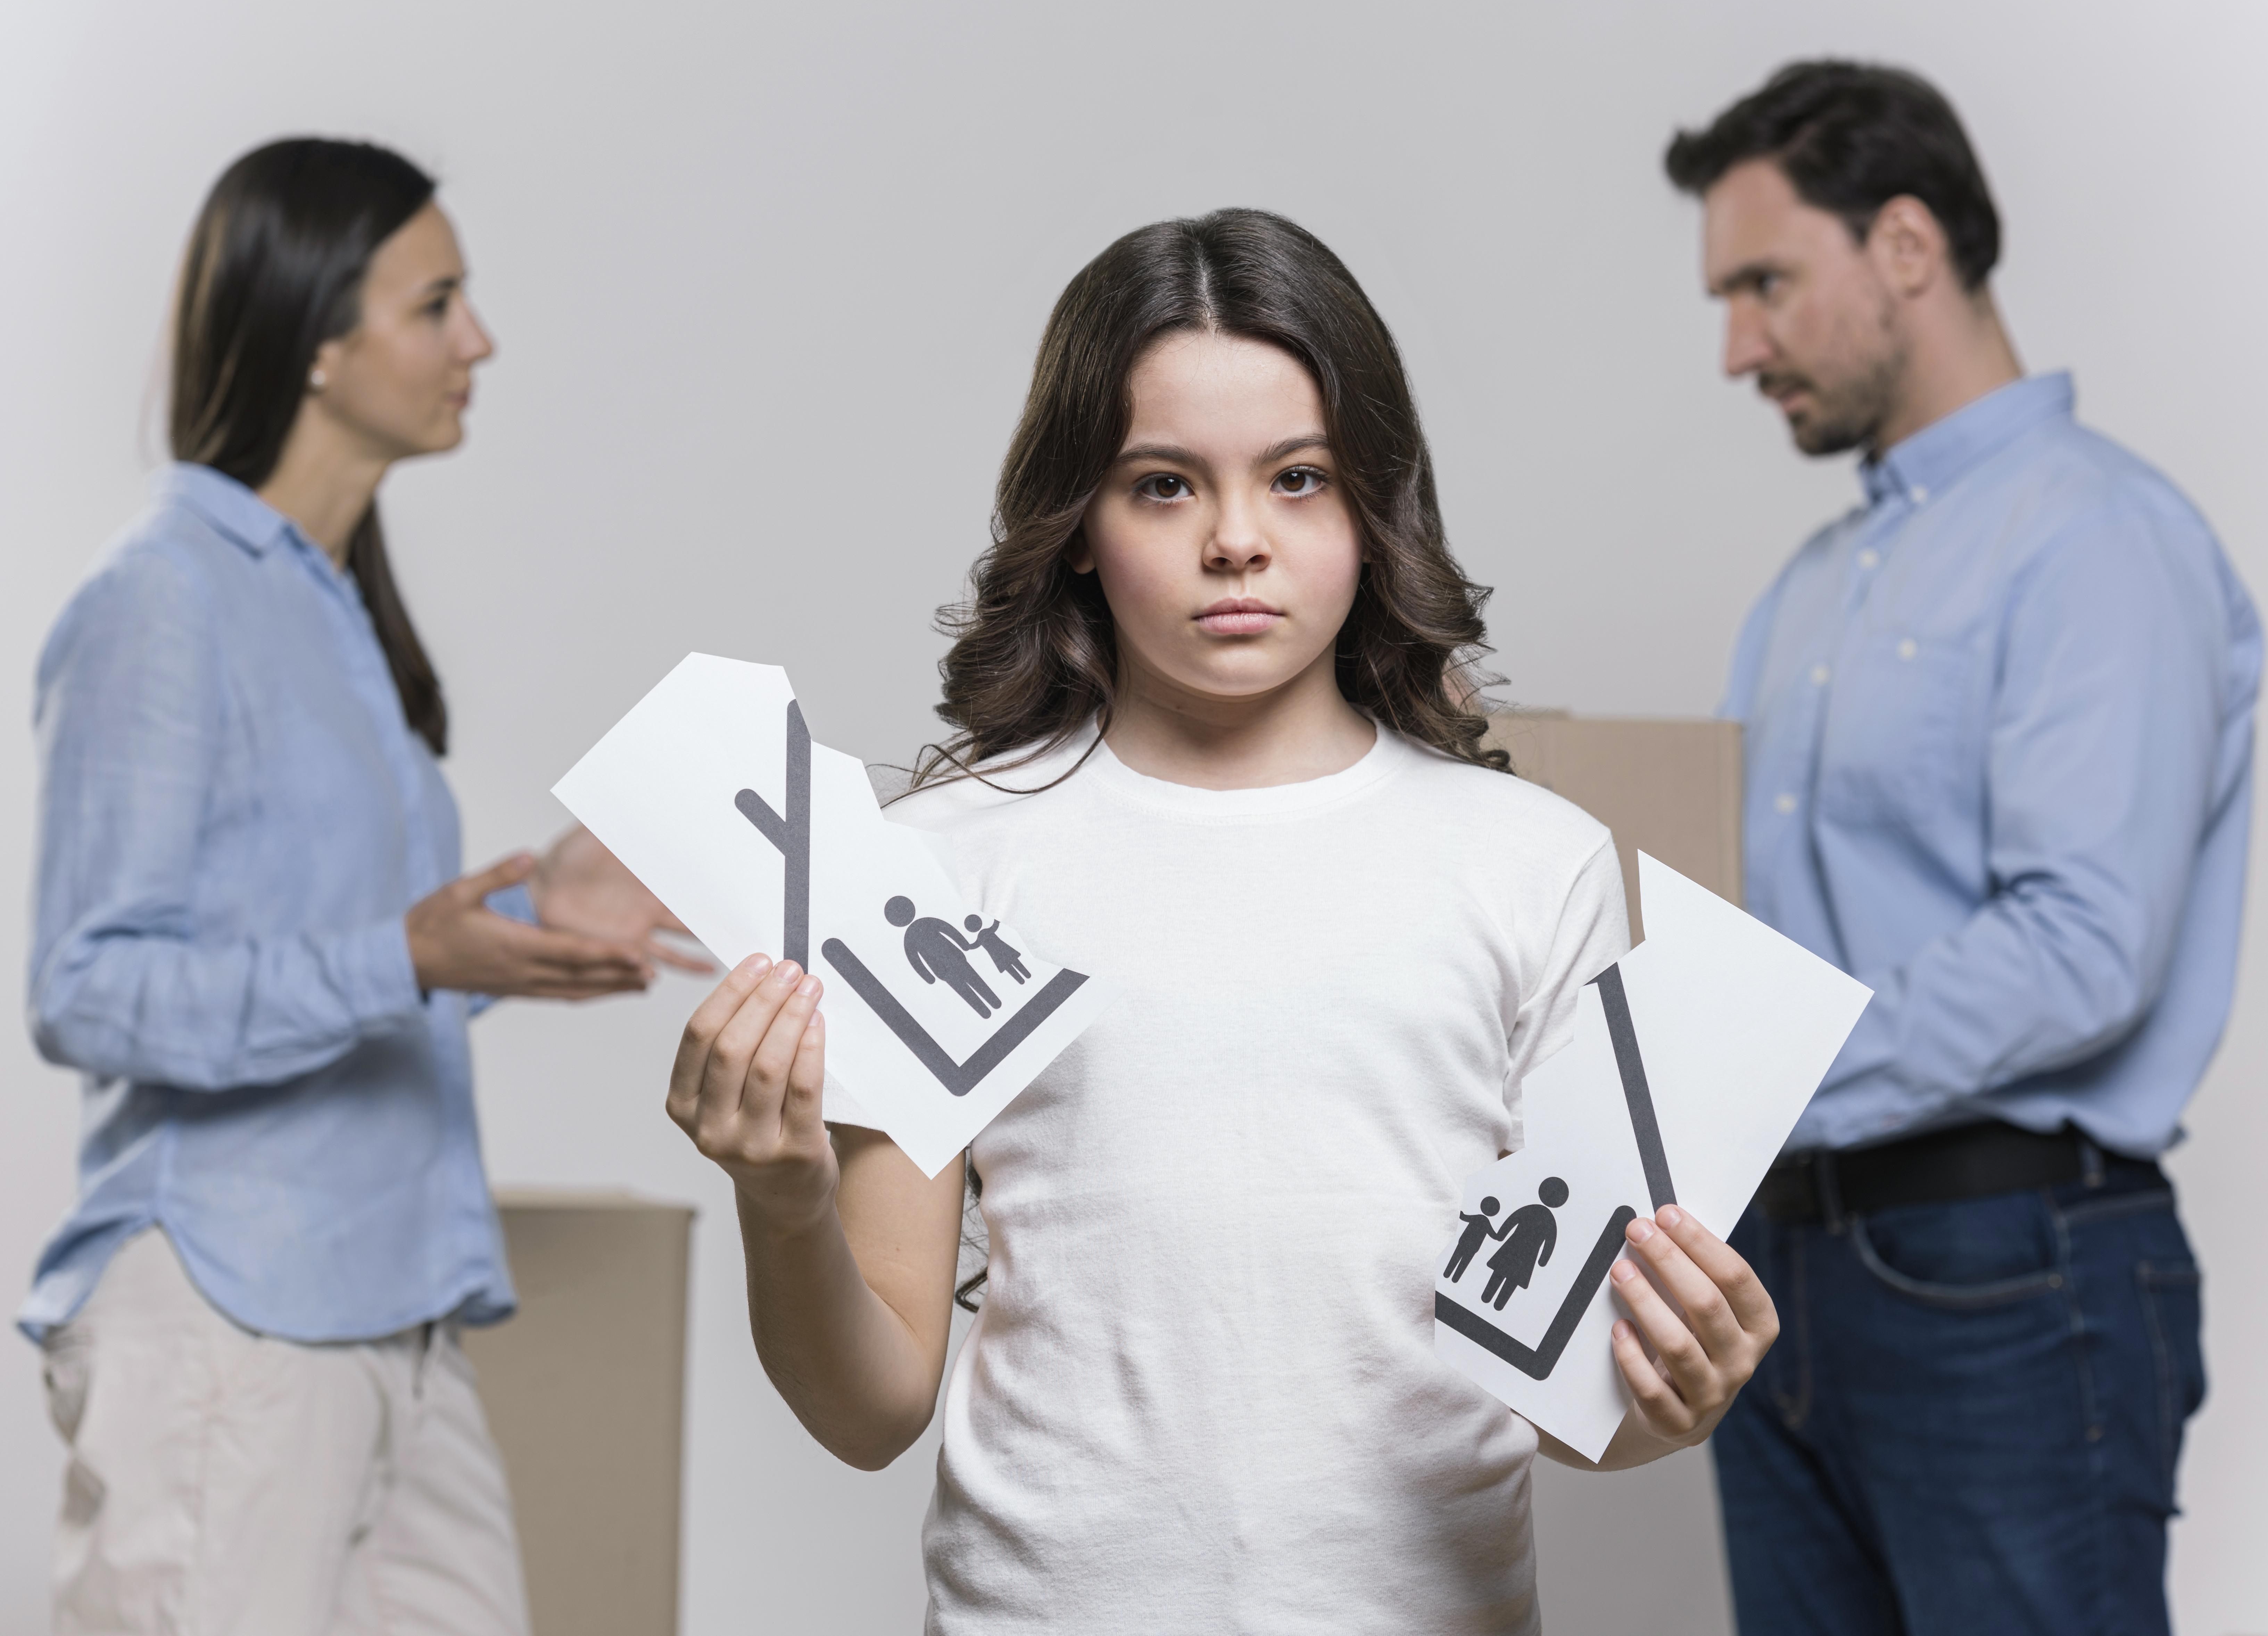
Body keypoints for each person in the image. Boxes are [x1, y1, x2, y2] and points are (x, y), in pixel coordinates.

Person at [664, 209, 1780, 1633]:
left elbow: (1574, 1410)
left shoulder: (1530, 865)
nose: (1236, 539)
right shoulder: (933, 865)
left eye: (1297, 478)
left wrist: (1671, 1392)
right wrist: (778, 1190)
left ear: (1372, 508)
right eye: (1162, 485)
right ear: (1074, 526)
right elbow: (873, 1400)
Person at [24, 138, 702, 1635]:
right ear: (316, 337)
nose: (481, 341)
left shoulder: (332, 622)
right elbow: (87, 987)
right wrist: (411, 953)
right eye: (438, 301)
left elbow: (366, 956)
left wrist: (530, 920)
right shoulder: (162, 599)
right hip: (229, 1317)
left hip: (398, 1316)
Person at [1662, 62, 2259, 1636]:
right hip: (1772, 1273)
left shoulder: (2096, 537)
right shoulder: (1803, 590)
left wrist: (1742, 1083)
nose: (1736, 348)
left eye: (1764, 285)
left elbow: (2080, 947)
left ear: (1906, 246)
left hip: (2001, 1282)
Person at [1478, 1180, 1567, 1310]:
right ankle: (1499, 1304)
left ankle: (1488, 1297)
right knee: (1511, 1279)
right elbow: (1550, 1242)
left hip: (1513, 1248)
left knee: (1501, 1272)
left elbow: (1512, 1221)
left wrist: (1502, 1235)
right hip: (1527, 1256)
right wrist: (1543, 1260)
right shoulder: (1550, 1219)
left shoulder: (1531, 1209)